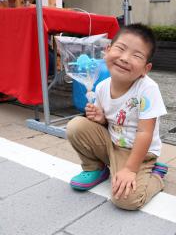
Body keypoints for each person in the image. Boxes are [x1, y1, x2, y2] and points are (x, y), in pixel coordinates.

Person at [66, 23, 168, 210]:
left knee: (125, 199)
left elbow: (145, 132)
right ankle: (95, 169)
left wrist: (130, 169)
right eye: (120, 48)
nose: (125, 58)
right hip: (112, 144)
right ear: (107, 50)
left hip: (140, 152)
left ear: (146, 68)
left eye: (136, 55)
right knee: (76, 126)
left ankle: (156, 176)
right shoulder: (102, 86)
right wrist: (101, 119)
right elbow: (109, 121)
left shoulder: (147, 89)